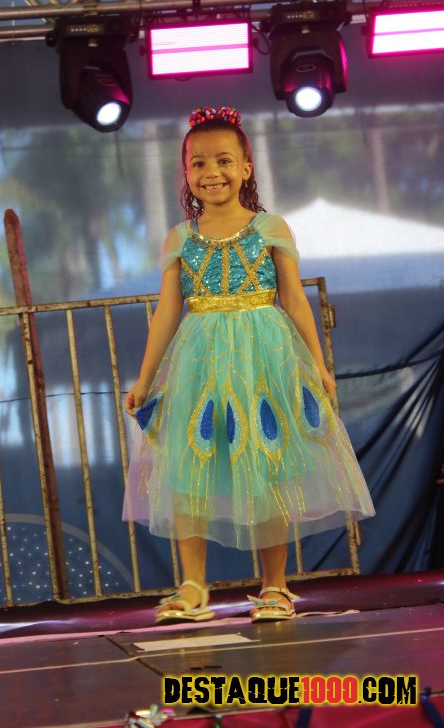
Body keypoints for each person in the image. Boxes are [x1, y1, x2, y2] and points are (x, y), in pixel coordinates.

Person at [123, 105, 375, 625]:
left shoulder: (270, 227)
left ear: (245, 167)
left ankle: (275, 586)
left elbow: (295, 300)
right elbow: (167, 311)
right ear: (186, 172)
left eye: (223, 161)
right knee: (188, 466)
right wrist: (145, 378)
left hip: (264, 356)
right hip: (199, 359)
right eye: (198, 163)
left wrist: (318, 365)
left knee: (265, 463)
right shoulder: (180, 237)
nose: (211, 173)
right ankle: (193, 587)